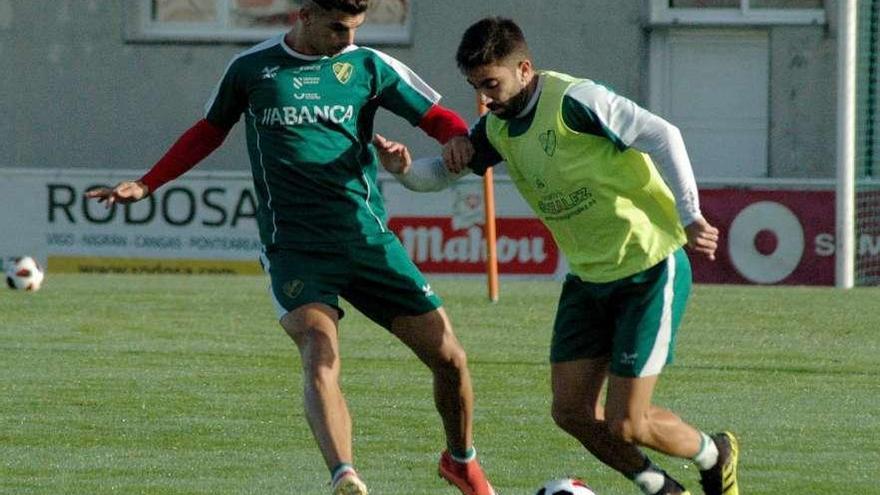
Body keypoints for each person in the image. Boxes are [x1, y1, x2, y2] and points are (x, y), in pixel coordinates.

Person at [84, 2, 496, 495]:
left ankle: (460, 460)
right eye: (337, 27)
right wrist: (148, 183)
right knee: (319, 350)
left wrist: (455, 139)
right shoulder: (252, 69)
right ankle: (345, 474)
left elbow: (435, 116)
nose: (347, 38)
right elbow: (207, 132)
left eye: (355, 28)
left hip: (366, 240)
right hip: (295, 249)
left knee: (450, 358)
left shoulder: (367, 66)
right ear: (304, 15)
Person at [373, 16, 739, 495]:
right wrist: (403, 171)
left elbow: (662, 134)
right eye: (476, 86)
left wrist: (690, 215)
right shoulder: (497, 128)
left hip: (648, 266)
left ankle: (715, 455)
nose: (485, 97)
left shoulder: (576, 101)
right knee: (570, 412)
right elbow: (441, 174)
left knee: (629, 421)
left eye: (492, 83)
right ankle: (662, 488)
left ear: (524, 69)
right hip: (588, 280)